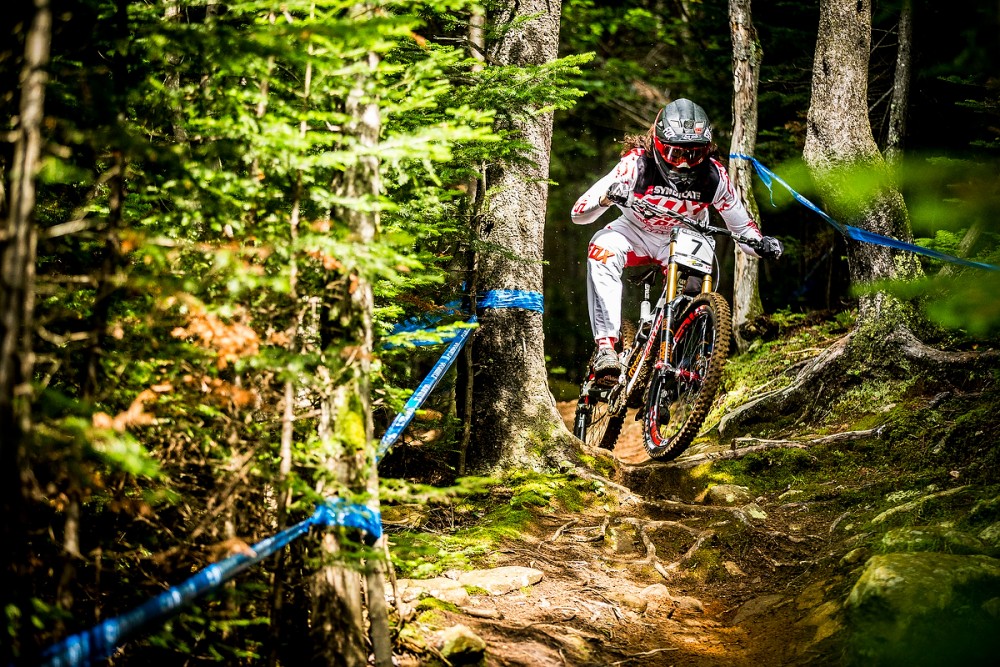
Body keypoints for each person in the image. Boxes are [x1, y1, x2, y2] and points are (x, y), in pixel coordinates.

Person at [570, 98, 783, 382]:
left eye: (693, 155)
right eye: (674, 153)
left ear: (706, 151)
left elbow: (742, 229)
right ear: (657, 145)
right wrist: (607, 197)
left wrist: (762, 243)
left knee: (694, 290)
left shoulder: (714, 177)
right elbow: (578, 214)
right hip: (633, 233)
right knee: (602, 248)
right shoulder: (635, 165)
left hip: (684, 240)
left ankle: (679, 357)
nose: (683, 164)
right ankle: (607, 346)